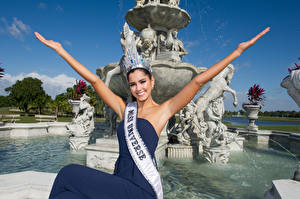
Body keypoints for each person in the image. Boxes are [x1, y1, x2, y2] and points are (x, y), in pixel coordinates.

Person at [34, 25, 269, 199]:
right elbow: (95, 81)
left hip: (140, 189)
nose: (139, 88)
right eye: (133, 83)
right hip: (120, 182)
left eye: (143, 82)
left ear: (152, 82)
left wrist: (238, 51)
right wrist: (61, 51)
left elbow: (197, 83)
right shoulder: (124, 110)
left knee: (68, 174)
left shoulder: (164, 111)